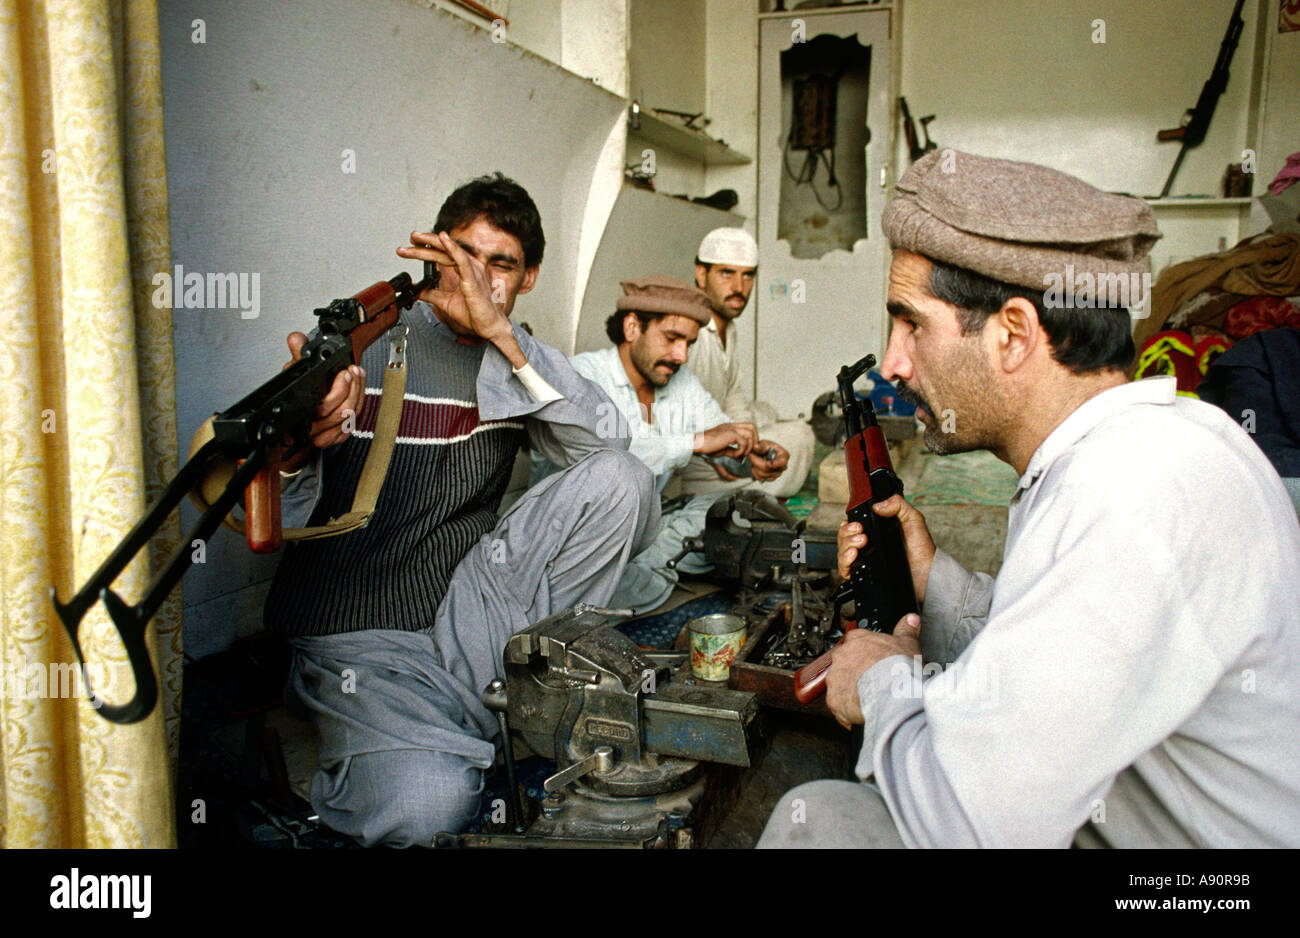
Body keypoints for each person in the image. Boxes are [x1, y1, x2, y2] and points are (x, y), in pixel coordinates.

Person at [758, 150, 1300, 848]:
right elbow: (1066, 673)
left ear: (1013, 334)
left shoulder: (1131, 491)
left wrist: (882, 680)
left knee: (820, 829)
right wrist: (937, 583)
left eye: (911, 324)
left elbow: (969, 824)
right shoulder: (1136, 449)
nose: (893, 363)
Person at [262, 173, 659, 847]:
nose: (477, 279)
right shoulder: (363, 344)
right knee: (429, 805)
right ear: (435, 255)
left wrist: (504, 337)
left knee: (625, 482)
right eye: (463, 257)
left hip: (465, 610)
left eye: (499, 264)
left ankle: (494, 710)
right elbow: (283, 521)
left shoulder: (514, 354)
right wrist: (296, 451)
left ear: (527, 277)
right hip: (359, 635)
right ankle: (393, 747)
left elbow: (609, 445)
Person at [541, 274, 783, 614]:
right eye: (671, 339)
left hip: (648, 526)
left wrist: (750, 454)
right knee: (576, 591)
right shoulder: (584, 375)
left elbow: (717, 435)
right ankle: (647, 574)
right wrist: (700, 441)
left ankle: (650, 568)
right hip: (583, 537)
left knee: (743, 511)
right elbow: (610, 457)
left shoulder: (678, 380)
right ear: (631, 328)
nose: (681, 355)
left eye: (688, 343)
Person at [663, 227, 815, 499]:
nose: (738, 288)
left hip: (723, 437)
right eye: (726, 274)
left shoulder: (728, 328)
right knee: (801, 436)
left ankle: (750, 473)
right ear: (701, 275)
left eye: (747, 276)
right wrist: (724, 454)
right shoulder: (687, 331)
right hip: (693, 461)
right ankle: (740, 490)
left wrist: (748, 441)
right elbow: (670, 419)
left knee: (763, 412)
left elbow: (733, 393)